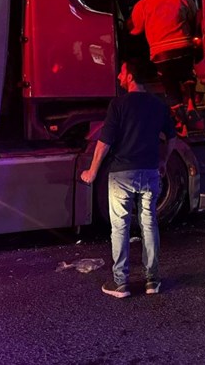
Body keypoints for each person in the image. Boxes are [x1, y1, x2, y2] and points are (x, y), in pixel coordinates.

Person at [80, 60, 177, 298]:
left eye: (122, 72)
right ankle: (152, 280)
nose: (119, 76)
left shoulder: (119, 104)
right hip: (150, 172)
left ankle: (120, 282)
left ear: (131, 76)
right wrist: (163, 161)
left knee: (120, 226)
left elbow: (105, 142)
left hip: (122, 173)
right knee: (149, 223)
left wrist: (92, 171)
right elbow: (172, 138)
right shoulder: (158, 104)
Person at [127, 0, 199, 118]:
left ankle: (180, 117)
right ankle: (192, 103)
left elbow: (136, 29)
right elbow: (194, 16)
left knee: (169, 81)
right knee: (187, 74)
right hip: (184, 46)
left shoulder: (143, 4)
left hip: (161, 53)